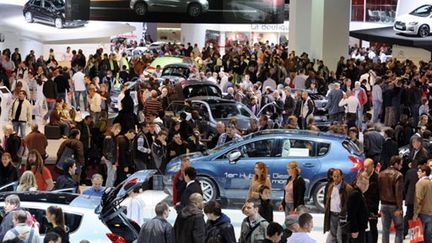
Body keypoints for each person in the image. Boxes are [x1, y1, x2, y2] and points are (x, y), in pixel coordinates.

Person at [378, 155, 404, 243]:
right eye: (400, 164)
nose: (401, 166)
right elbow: (398, 193)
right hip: (394, 206)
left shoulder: (381, 174)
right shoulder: (398, 175)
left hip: (383, 205)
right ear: (396, 164)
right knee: (399, 229)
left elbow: (378, 190)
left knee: (385, 230)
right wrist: (399, 208)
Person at [323, 169, 352, 243]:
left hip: (342, 216)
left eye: (338, 176)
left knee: (340, 236)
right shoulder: (330, 186)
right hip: (332, 214)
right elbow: (328, 200)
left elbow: (350, 203)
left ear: (342, 176)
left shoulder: (347, 188)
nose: (336, 178)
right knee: (333, 234)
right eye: (334, 176)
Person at [347, 174, 370, 243]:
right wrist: (354, 230)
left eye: (367, 184)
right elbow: (352, 213)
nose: (365, 186)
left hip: (361, 228)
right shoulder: (355, 194)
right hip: (357, 229)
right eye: (363, 183)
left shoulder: (359, 193)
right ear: (357, 183)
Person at [361, 159, 379, 243]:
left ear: (372, 166)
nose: (365, 169)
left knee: (373, 228)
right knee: (362, 228)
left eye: (367, 167)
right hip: (362, 207)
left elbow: (379, 194)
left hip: (372, 208)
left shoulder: (377, 178)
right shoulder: (361, 175)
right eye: (364, 167)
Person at [413, 164, 432, 243]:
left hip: (422, 212)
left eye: (419, 171)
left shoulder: (420, 183)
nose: (417, 172)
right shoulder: (430, 182)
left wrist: (415, 214)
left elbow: (418, 199)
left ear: (424, 172)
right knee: (428, 235)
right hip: (430, 212)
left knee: (419, 236)